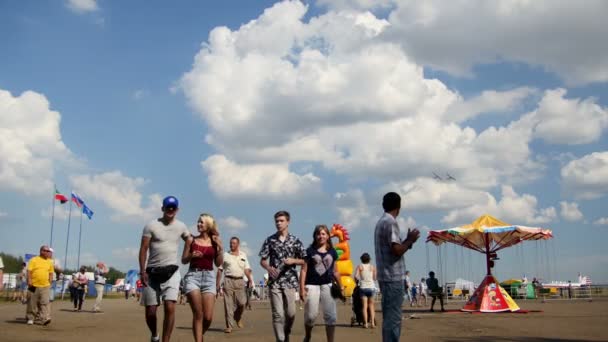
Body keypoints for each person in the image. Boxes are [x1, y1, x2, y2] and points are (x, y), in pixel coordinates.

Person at [139, 195, 192, 342]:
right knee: (150, 312)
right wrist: (142, 271)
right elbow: (143, 249)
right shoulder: (151, 226)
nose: (170, 209)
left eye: (173, 207)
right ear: (162, 208)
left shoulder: (181, 226)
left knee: (170, 307)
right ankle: (155, 335)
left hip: (172, 272)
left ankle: (165, 340)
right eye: (167, 207)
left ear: (177, 209)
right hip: (152, 273)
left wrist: (186, 255)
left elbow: (190, 239)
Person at [374, 192, 420, 342]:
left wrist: (407, 242)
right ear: (399, 207)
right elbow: (397, 250)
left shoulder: (381, 222)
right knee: (393, 319)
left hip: (385, 276)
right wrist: (410, 239)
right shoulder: (391, 222)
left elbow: (396, 248)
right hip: (393, 277)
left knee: (389, 318)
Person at [259, 210, 306, 342]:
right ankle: (280, 340)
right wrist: (268, 267)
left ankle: (286, 332)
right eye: (277, 221)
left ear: (288, 222)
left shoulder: (295, 240)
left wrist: (293, 261)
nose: (278, 223)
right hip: (274, 282)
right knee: (277, 314)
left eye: (281, 221)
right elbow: (262, 260)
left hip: (290, 281)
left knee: (291, 313)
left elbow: (305, 260)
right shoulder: (270, 240)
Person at [181, 213, 223, 342]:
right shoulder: (191, 240)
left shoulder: (215, 241)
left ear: (209, 225)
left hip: (209, 277)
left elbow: (218, 263)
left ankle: (199, 335)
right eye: (198, 222)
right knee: (198, 314)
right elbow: (183, 260)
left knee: (208, 317)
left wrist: (220, 247)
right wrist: (192, 255)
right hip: (193, 276)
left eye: (202, 222)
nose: (198, 224)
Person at [300, 224, 340, 342]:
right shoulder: (309, 251)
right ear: (315, 236)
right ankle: (308, 336)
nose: (320, 236)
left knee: (331, 317)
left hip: (328, 285)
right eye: (318, 234)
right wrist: (301, 288)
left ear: (328, 236)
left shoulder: (333, 252)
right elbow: (303, 270)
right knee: (311, 316)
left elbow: (336, 271)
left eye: (323, 234)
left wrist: (341, 287)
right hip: (311, 285)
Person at [218, 236, 253, 333]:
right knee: (228, 305)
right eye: (230, 243)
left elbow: (246, 269)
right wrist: (217, 284)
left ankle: (237, 317)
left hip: (240, 281)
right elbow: (220, 269)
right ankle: (229, 326)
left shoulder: (243, 255)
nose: (231, 245)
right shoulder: (225, 255)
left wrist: (250, 279)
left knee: (242, 303)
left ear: (238, 244)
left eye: (233, 243)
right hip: (228, 280)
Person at [25, 245, 54, 325]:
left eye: (49, 251)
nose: (48, 252)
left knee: (44, 302)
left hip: (45, 286)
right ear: (41, 251)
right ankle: (31, 318)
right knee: (32, 302)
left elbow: (51, 273)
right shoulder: (33, 260)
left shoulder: (49, 262)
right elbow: (29, 271)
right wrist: (29, 280)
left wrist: (50, 281)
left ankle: (44, 318)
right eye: (46, 251)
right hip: (33, 285)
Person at [354, 252, 376, 328]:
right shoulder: (372, 267)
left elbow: (356, 276)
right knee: (371, 306)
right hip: (371, 287)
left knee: (364, 306)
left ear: (361, 259)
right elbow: (374, 278)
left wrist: (357, 281)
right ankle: (372, 323)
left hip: (363, 287)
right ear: (369, 259)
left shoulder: (360, 266)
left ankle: (365, 323)